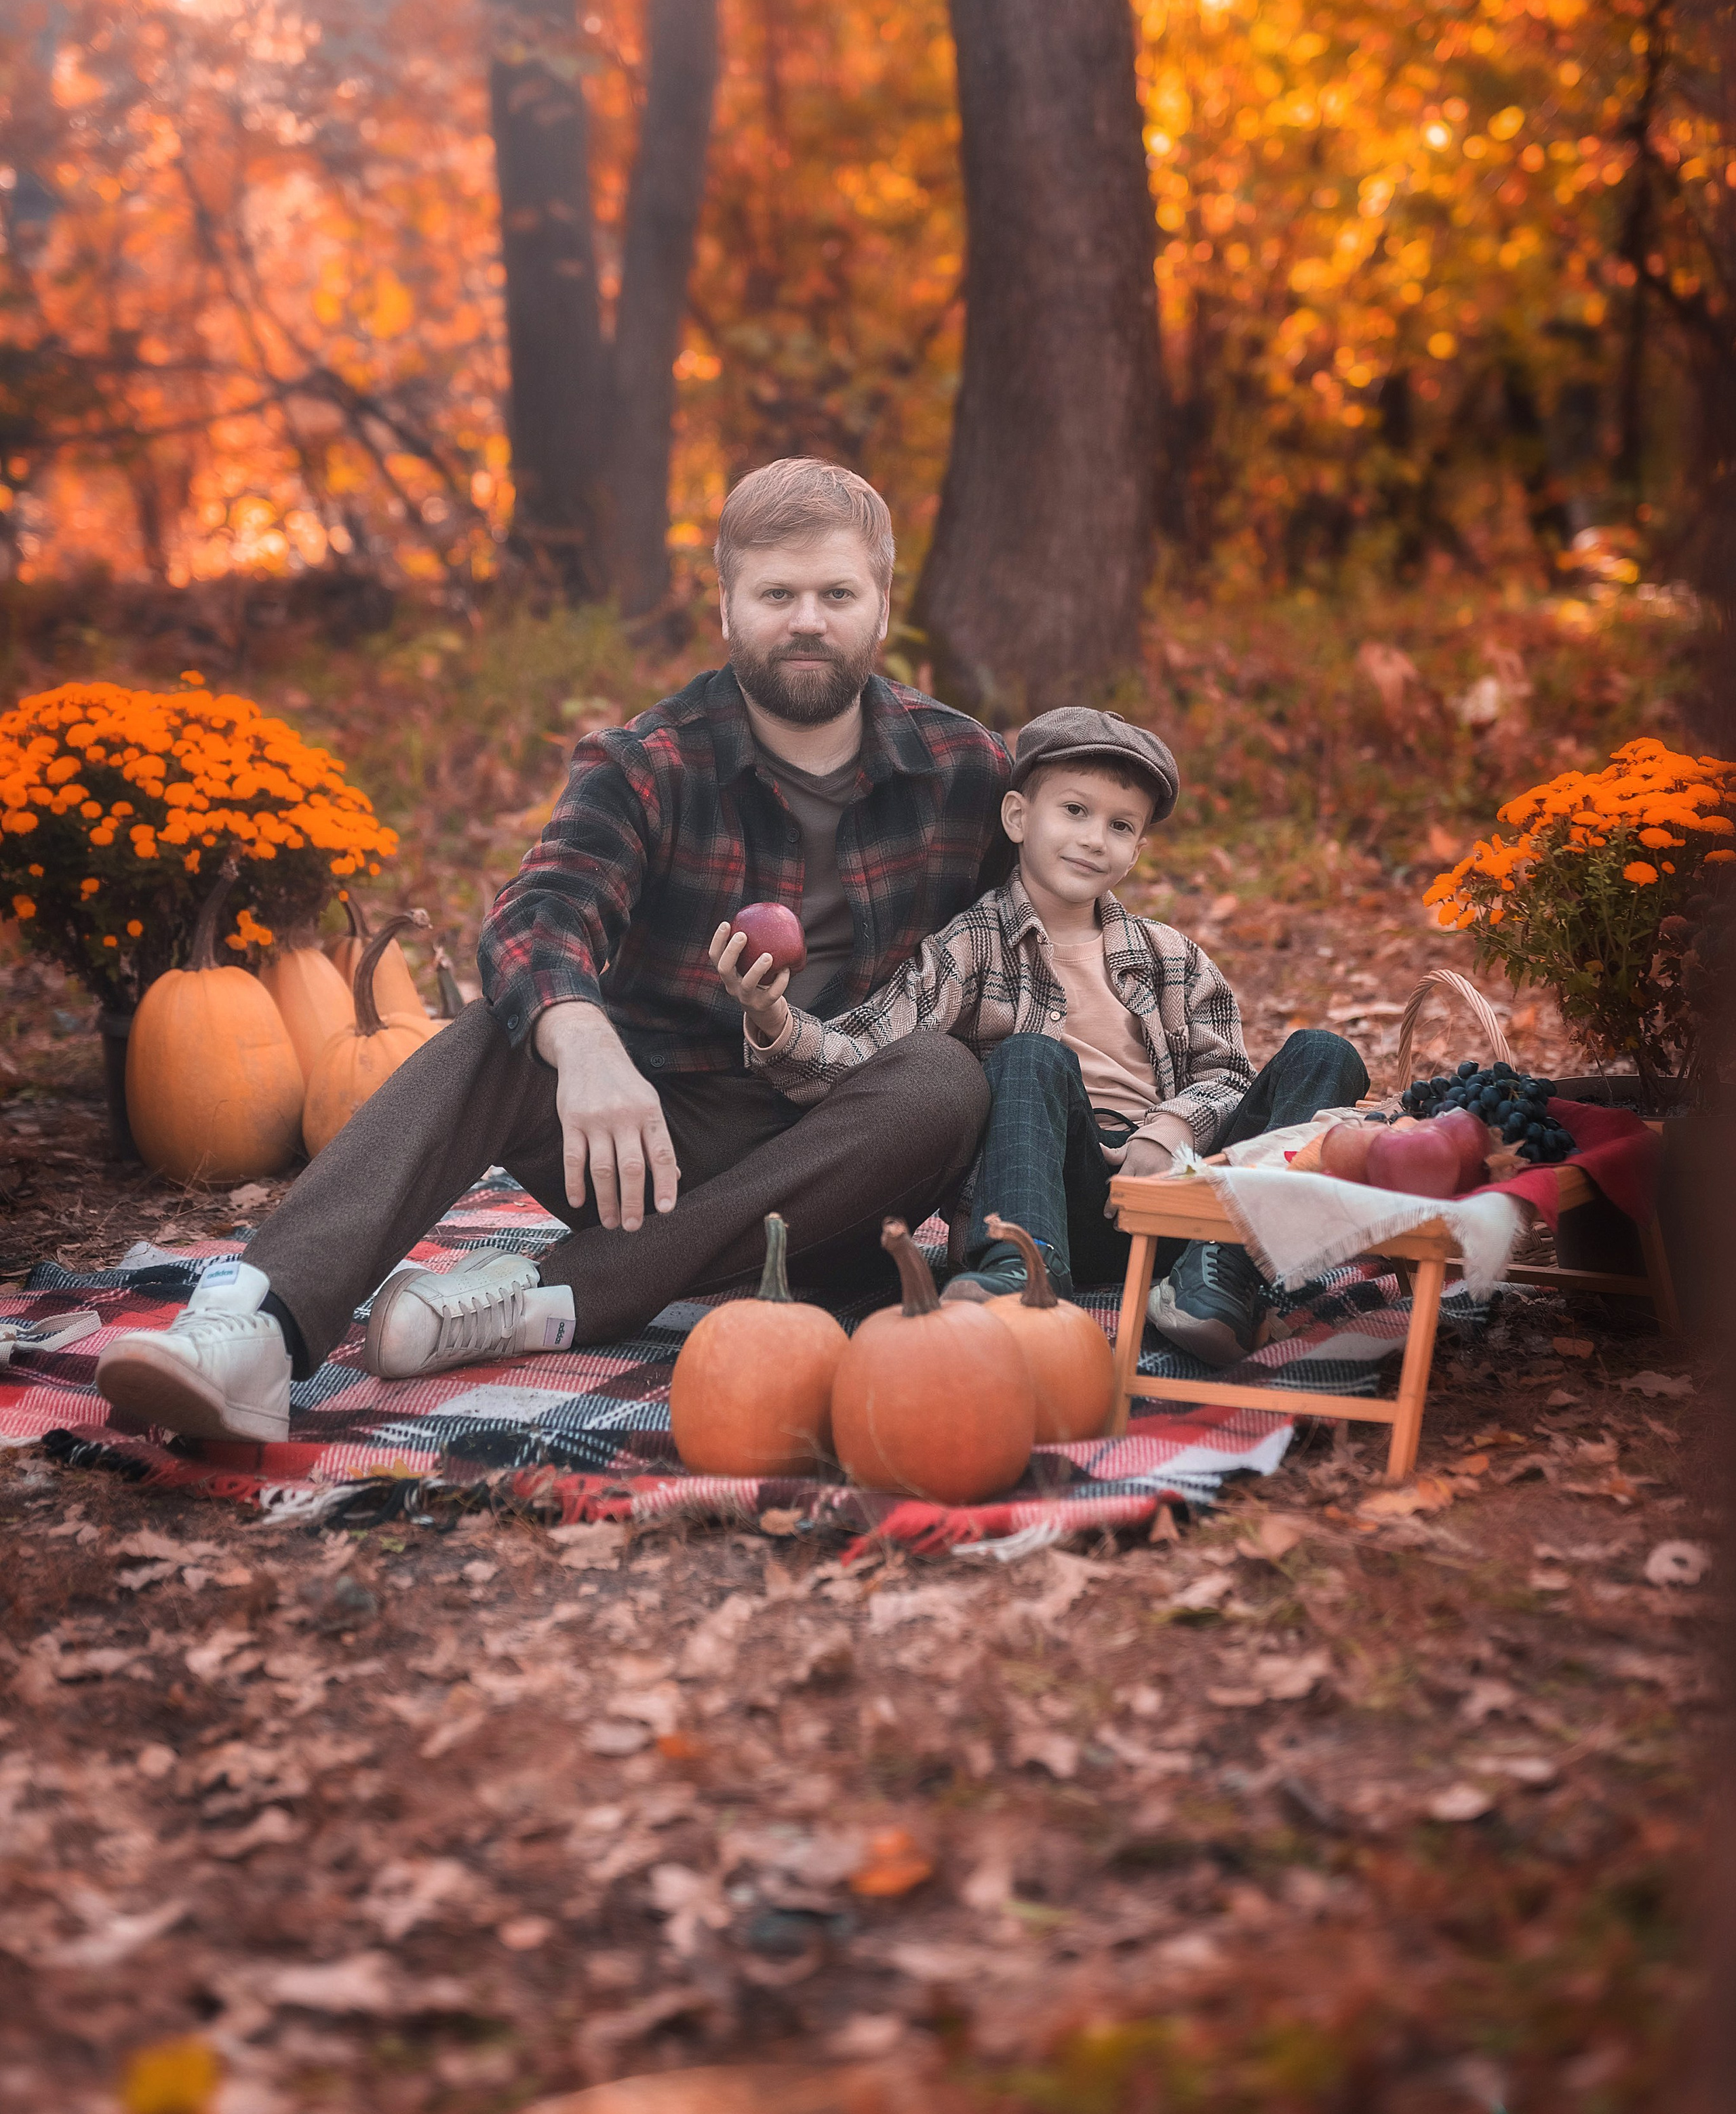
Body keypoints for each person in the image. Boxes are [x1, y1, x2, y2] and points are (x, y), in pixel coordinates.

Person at [94, 461, 1012, 1445]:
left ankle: (546, 1291)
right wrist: (583, 1042)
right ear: (726, 608)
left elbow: (1070, 941)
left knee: (945, 1081)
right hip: (646, 1150)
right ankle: (258, 1324)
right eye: (776, 593)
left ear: (880, 608)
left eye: (837, 594)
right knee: (507, 1023)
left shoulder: (963, 769)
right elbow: (544, 908)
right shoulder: (649, 762)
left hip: (847, 1165)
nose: (807, 620)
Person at [713, 707, 1368, 1363]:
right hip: (1053, 1198)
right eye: (1075, 811)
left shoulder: (1174, 958)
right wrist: (772, 1019)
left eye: (1119, 826)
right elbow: (865, 1054)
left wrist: (1172, 1127)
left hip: (1182, 1206)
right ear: (1018, 818)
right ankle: (1017, 1264)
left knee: (1324, 1053)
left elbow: (1227, 1076)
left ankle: (1224, 1276)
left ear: (1137, 850)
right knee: (1030, 1054)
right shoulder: (971, 947)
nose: (1093, 839)